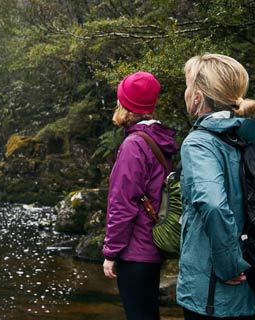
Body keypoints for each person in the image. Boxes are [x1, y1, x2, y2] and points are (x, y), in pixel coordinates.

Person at [176, 53, 255, 319]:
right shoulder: (253, 135)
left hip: (215, 295)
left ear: (198, 97)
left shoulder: (199, 143)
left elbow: (213, 204)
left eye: (188, 86)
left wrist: (229, 265)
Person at [102, 71, 179, 320]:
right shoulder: (158, 138)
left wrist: (111, 252)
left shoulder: (133, 145)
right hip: (153, 245)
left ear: (125, 105)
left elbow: (122, 204)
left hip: (135, 250)